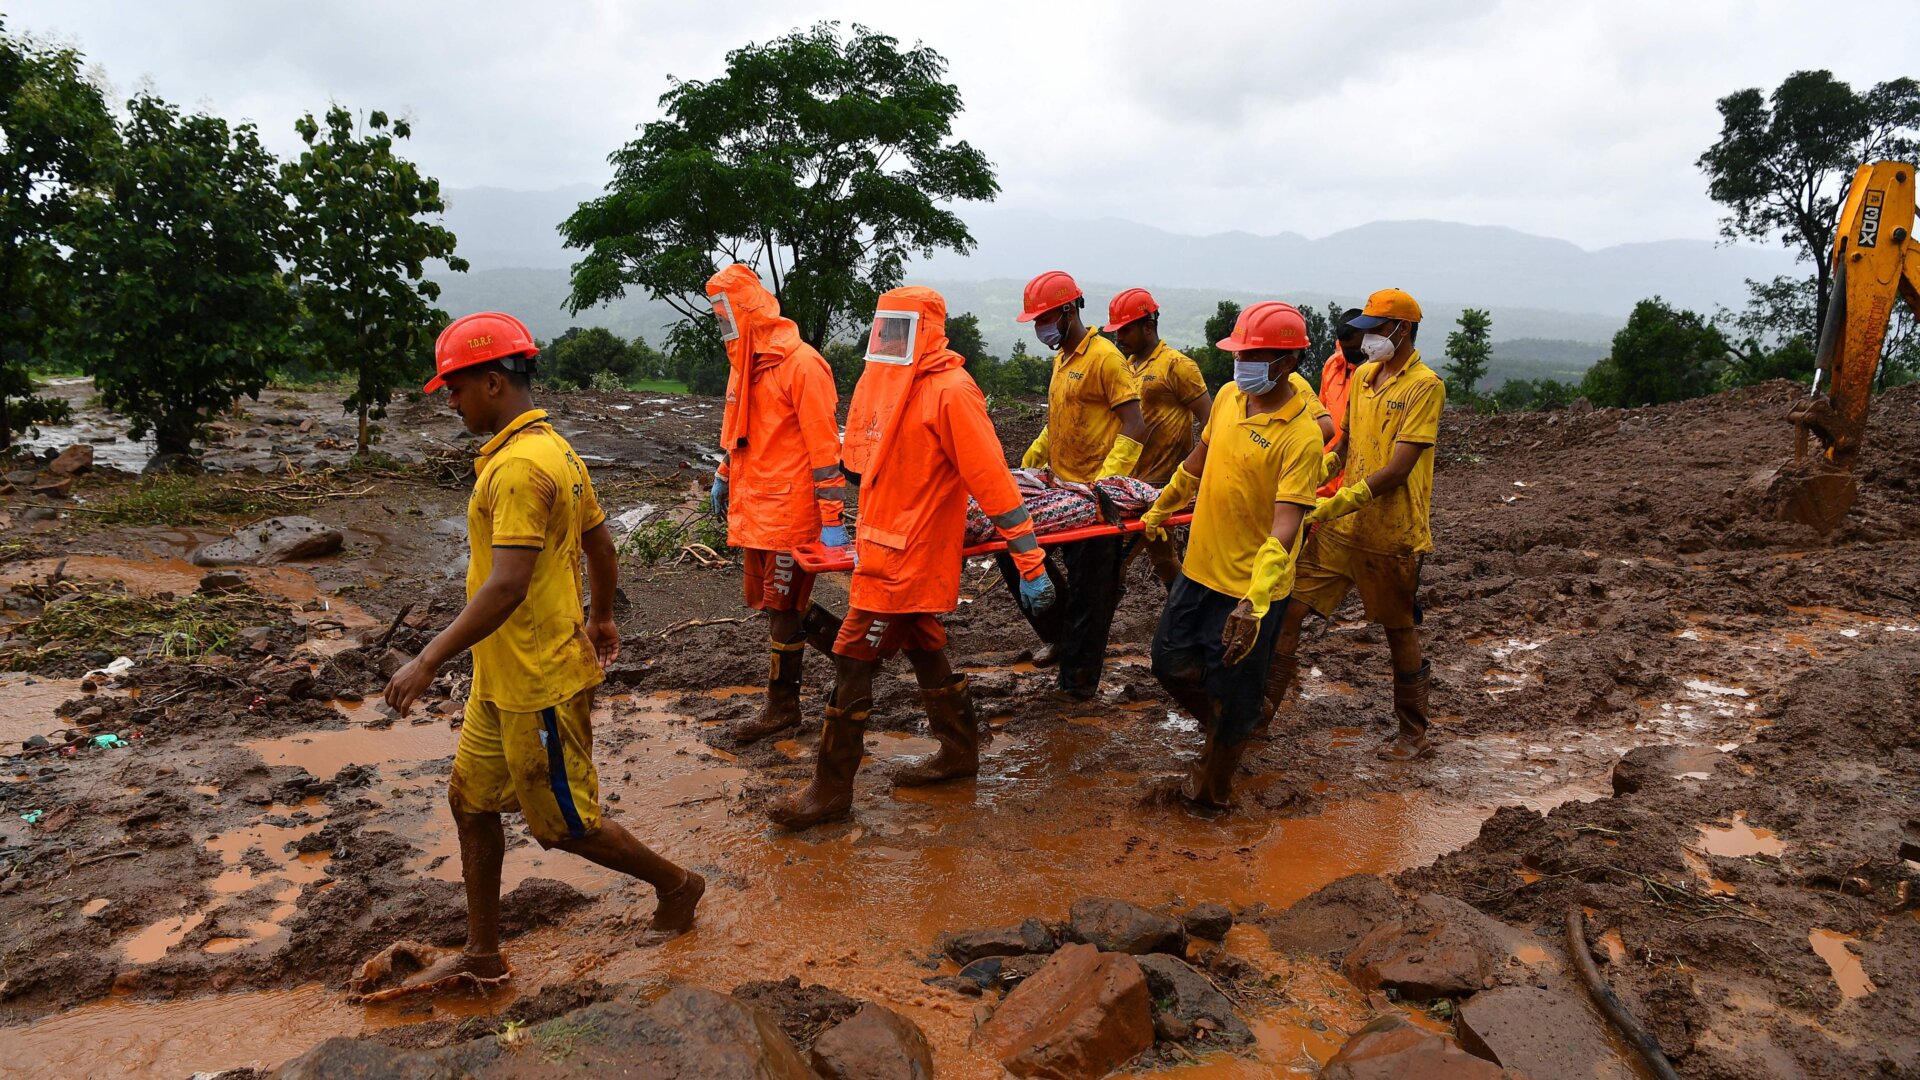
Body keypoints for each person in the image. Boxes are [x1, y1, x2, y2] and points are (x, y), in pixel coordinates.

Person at [383, 312, 703, 992]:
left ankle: (678, 884)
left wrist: (429, 657)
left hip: (539, 680)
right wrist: (604, 615)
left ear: (494, 382)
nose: (452, 400)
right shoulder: (552, 449)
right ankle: (482, 955)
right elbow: (601, 544)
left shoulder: (523, 468)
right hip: (500, 677)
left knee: (564, 826)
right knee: (470, 802)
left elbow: (507, 585)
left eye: (457, 388)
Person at [770, 287, 1055, 828]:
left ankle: (830, 790)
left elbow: (991, 479)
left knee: (854, 658)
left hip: (913, 555)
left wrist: (1030, 559)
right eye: (885, 327)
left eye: (901, 327)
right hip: (880, 545)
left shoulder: (952, 391)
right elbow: (859, 461)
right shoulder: (883, 382)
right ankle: (959, 751)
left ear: (924, 328)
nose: (890, 338)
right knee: (925, 645)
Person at [1138, 302, 1324, 809]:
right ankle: (1236, 718)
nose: (1240, 364)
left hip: (1250, 588)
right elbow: (1199, 460)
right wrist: (1164, 503)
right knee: (1169, 662)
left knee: (1233, 690)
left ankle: (1215, 792)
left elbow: (1287, 525)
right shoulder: (1226, 398)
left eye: (1252, 354)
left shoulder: (1301, 435)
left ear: (1286, 362)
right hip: (1200, 570)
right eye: (1239, 353)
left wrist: (1255, 599)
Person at [1270, 288, 1446, 760]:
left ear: (1401, 330)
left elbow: (1399, 468)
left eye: (1375, 330)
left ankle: (1414, 735)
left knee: (1398, 628)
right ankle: (1259, 716)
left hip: (1392, 531)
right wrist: (1316, 478)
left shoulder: (1425, 386)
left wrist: (1339, 501)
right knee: (1290, 609)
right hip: (1341, 528)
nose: (1366, 340)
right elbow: (1345, 446)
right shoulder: (1365, 377)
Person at [703, 265, 847, 745]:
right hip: (758, 506)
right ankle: (854, 659)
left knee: (784, 607)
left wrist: (832, 521)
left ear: (747, 311)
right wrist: (725, 473)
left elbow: (826, 452)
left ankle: (783, 707)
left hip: (790, 513)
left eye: (726, 313)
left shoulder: (802, 365)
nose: (722, 324)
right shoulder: (744, 367)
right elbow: (743, 432)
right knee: (777, 605)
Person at [996, 270, 1148, 699]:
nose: (1041, 329)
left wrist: (1106, 486)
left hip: (1093, 500)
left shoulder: (1104, 358)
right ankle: (1064, 638)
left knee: (1091, 595)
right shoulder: (1063, 358)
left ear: (1067, 311)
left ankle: (1078, 686)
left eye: (1044, 319)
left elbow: (1135, 425)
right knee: (1017, 556)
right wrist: (1034, 455)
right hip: (1059, 492)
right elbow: (1061, 418)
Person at [1104, 287, 1212, 588]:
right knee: (1163, 559)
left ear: (1148, 327)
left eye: (1125, 330)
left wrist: (1201, 478)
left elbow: (1211, 422)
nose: (1118, 338)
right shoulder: (1126, 368)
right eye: (1116, 331)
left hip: (1161, 487)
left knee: (1114, 563)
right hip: (1130, 484)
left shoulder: (1178, 366)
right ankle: (1186, 616)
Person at [1315, 308, 1365, 498]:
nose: (1350, 352)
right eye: (1346, 348)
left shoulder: (1379, 373)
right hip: (1328, 468)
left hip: (1356, 477)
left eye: (1355, 347)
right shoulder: (1332, 365)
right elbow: (1321, 409)